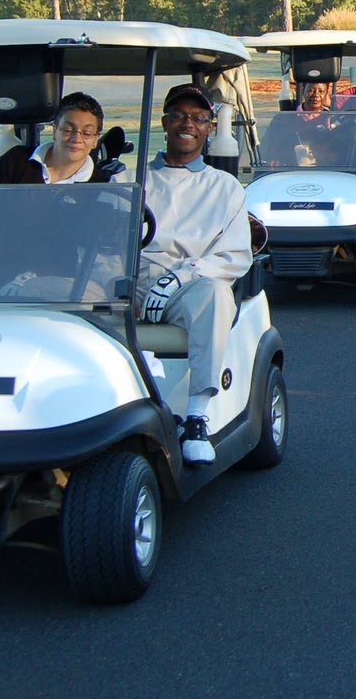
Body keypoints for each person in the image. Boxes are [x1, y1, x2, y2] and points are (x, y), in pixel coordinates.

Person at [136, 84, 253, 466]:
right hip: (131, 281)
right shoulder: (132, 177)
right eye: (180, 116)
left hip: (186, 287)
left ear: (209, 126)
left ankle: (196, 415)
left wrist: (180, 278)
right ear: (165, 122)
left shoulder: (224, 187)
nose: (188, 124)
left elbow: (234, 256)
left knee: (217, 295)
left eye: (198, 118)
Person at [0, 91, 126, 300]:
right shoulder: (16, 162)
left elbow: (103, 253)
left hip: (52, 290)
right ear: (55, 130)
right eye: (68, 129)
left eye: (86, 133)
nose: (76, 138)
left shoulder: (100, 186)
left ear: (95, 140)